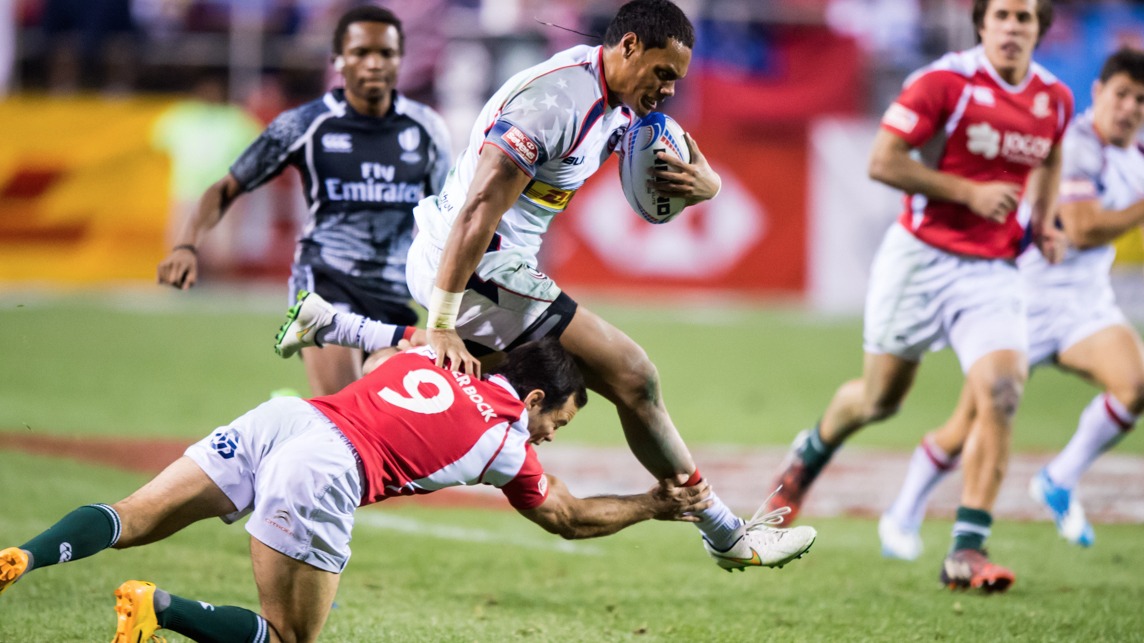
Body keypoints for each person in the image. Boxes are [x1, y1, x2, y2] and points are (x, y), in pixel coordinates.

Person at [274, 0, 818, 572]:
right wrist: (440, 320)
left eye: (676, 80)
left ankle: (330, 346)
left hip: (476, 258)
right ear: (629, 46)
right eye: (663, 74)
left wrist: (709, 185)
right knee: (633, 375)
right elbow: (481, 207)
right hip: (475, 261)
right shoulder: (556, 103)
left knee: (452, 387)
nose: (669, 90)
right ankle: (725, 532)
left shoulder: (620, 100)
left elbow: (675, 156)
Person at [0, 337, 714, 642]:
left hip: (286, 417)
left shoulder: (434, 351)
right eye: (558, 418)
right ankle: (159, 607)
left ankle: (24, 557)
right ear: (533, 399)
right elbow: (567, 517)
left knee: (131, 513)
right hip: (325, 468)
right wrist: (655, 502)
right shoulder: (505, 440)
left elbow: (374, 351)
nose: (552, 434)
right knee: (288, 638)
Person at [763, 0, 1072, 593]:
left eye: (1024, 18)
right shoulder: (942, 83)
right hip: (921, 257)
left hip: (993, 268)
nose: (1012, 27)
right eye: (1002, 15)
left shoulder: (1054, 99)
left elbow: (1052, 155)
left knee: (1003, 390)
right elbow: (883, 161)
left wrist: (1049, 220)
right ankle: (809, 454)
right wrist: (968, 192)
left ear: (1040, 28)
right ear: (981, 22)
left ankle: (968, 549)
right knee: (880, 398)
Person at [878, 47, 1144, 560]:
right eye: (1122, 94)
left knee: (1134, 385)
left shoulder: (1136, 159)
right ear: (1098, 93)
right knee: (970, 423)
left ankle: (1058, 480)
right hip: (1023, 294)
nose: (1130, 107)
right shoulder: (1076, 142)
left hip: (1086, 304)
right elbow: (1083, 227)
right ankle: (904, 511)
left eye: (1141, 99)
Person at [156, 5, 452, 397]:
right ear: (339, 60)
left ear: (400, 59)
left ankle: (289, 416)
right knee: (344, 409)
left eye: (385, 53)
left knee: (381, 413)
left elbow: (443, 220)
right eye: (362, 53)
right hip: (324, 288)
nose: (374, 63)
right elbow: (227, 186)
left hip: (393, 292)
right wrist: (185, 243)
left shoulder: (427, 128)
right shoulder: (306, 124)